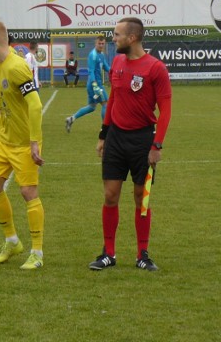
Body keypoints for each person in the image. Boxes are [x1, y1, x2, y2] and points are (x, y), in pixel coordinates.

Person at [89, 17, 172, 272]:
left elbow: (166, 109)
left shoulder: (155, 68)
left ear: (132, 38)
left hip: (142, 141)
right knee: (110, 195)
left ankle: (142, 254)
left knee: (140, 199)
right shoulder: (116, 62)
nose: (113, 39)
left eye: (116, 35)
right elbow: (113, 98)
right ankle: (109, 254)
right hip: (116, 138)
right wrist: (104, 134)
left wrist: (156, 146)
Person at [0, 21, 45, 270]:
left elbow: (36, 105)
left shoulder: (17, 67)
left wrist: (34, 142)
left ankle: (37, 252)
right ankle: (12, 241)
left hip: (23, 143)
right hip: (4, 140)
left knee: (28, 192)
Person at [65, 36, 110, 133]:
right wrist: (95, 85)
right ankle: (105, 129)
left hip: (93, 85)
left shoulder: (101, 54)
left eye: (103, 44)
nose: (101, 45)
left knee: (92, 107)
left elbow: (106, 67)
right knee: (105, 103)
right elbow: (91, 71)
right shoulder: (93, 55)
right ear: (95, 43)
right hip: (95, 84)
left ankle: (71, 118)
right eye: (99, 43)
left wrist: (114, 72)